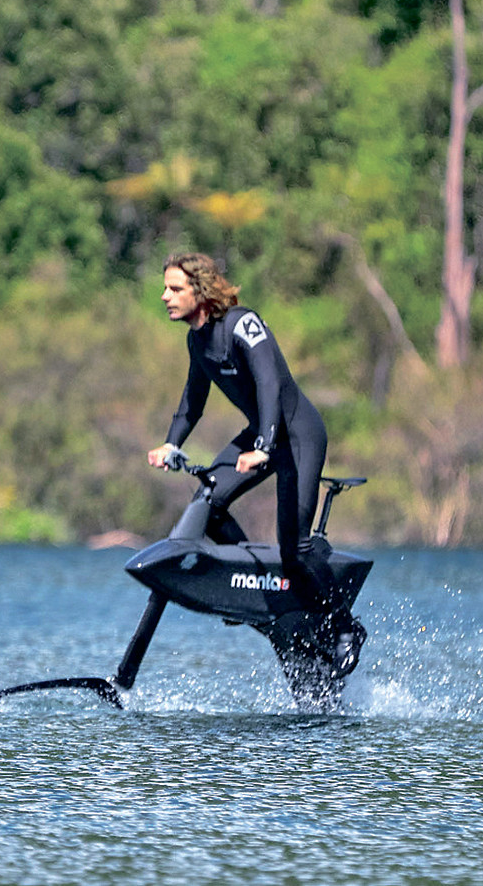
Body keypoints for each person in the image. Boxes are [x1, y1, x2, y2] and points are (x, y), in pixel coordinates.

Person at [146, 252, 364, 675]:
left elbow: (270, 384)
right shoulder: (197, 341)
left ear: (200, 292)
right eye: (165, 288)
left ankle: (345, 628)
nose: (164, 296)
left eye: (174, 289)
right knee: (209, 501)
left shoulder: (242, 324)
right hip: (262, 435)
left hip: (297, 435)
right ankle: (255, 586)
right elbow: (192, 402)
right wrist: (171, 444)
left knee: (295, 549)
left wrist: (264, 445)